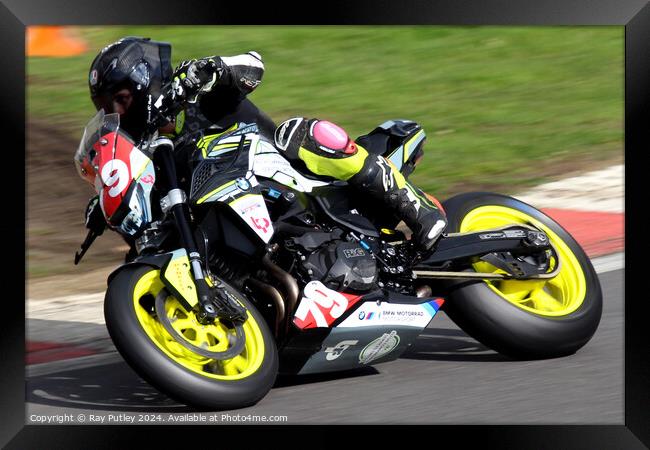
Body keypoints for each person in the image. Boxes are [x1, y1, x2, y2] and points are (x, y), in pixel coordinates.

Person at [81, 36, 447, 253]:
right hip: (239, 219)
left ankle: (416, 209)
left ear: (144, 81)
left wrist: (209, 70)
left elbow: (253, 65)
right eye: (106, 107)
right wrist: (106, 200)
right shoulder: (151, 152)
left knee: (301, 132)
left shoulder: (194, 94)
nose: (115, 112)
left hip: (292, 182)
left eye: (121, 99)